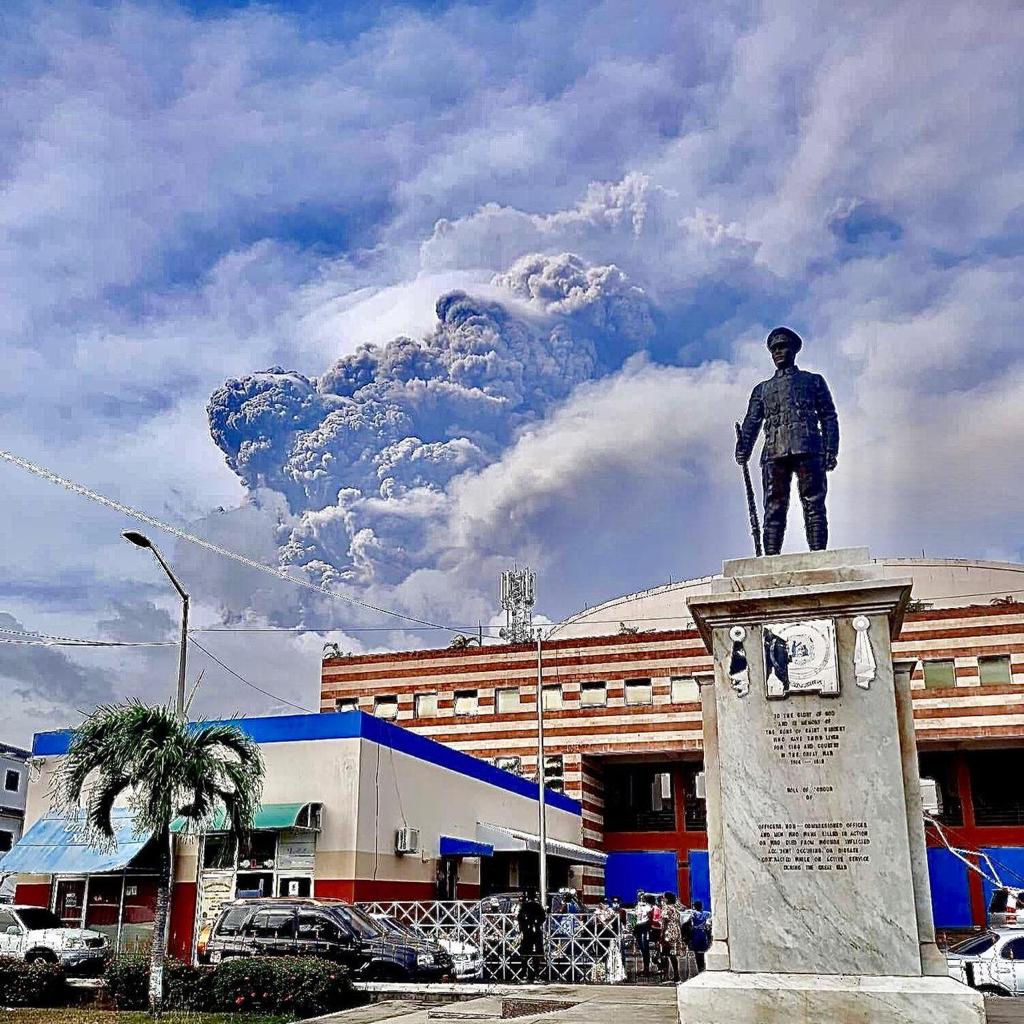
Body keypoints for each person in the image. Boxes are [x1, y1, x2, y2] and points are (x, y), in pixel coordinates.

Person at [735, 327, 839, 555]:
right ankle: (771, 558)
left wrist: (831, 449)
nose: (778, 352)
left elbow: (828, 416)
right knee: (773, 507)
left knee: (814, 503)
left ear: (793, 350)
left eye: (782, 347)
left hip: (809, 447)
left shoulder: (813, 381)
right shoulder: (762, 390)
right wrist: (743, 448)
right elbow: (752, 422)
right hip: (773, 452)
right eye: (774, 349)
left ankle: (819, 555)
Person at [517, 888, 546, 982]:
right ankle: (536, 975)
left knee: (525, 954)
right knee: (536, 954)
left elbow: (519, 918)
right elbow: (543, 917)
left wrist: (522, 929)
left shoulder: (524, 906)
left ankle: (524, 975)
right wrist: (537, 924)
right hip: (536, 931)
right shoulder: (538, 906)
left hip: (526, 932)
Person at [659, 892, 684, 983]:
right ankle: (676, 975)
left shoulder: (666, 908)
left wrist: (662, 933)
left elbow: (664, 921)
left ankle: (666, 975)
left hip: (668, 932)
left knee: (666, 953)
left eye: (664, 898)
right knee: (672, 954)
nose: (663, 899)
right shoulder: (675, 908)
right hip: (676, 931)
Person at [632, 890, 653, 976]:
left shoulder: (648, 907)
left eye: (642, 896)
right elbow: (634, 917)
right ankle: (645, 968)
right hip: (638, 928)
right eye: (639, 896)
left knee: (645, 949)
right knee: (641, 948)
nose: (640, 898)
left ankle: (647, 968)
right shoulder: (637, 906)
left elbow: (650, 916)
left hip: (645, 927)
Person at [689, 900, 711, 974]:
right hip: (703, 934)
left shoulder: (693, 914)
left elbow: (689, 921)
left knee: (697, 953)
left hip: (696, 934)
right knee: (703, 952)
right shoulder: (707, 914)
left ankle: (699, 969)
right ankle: (704, 967)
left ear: (695, 906)